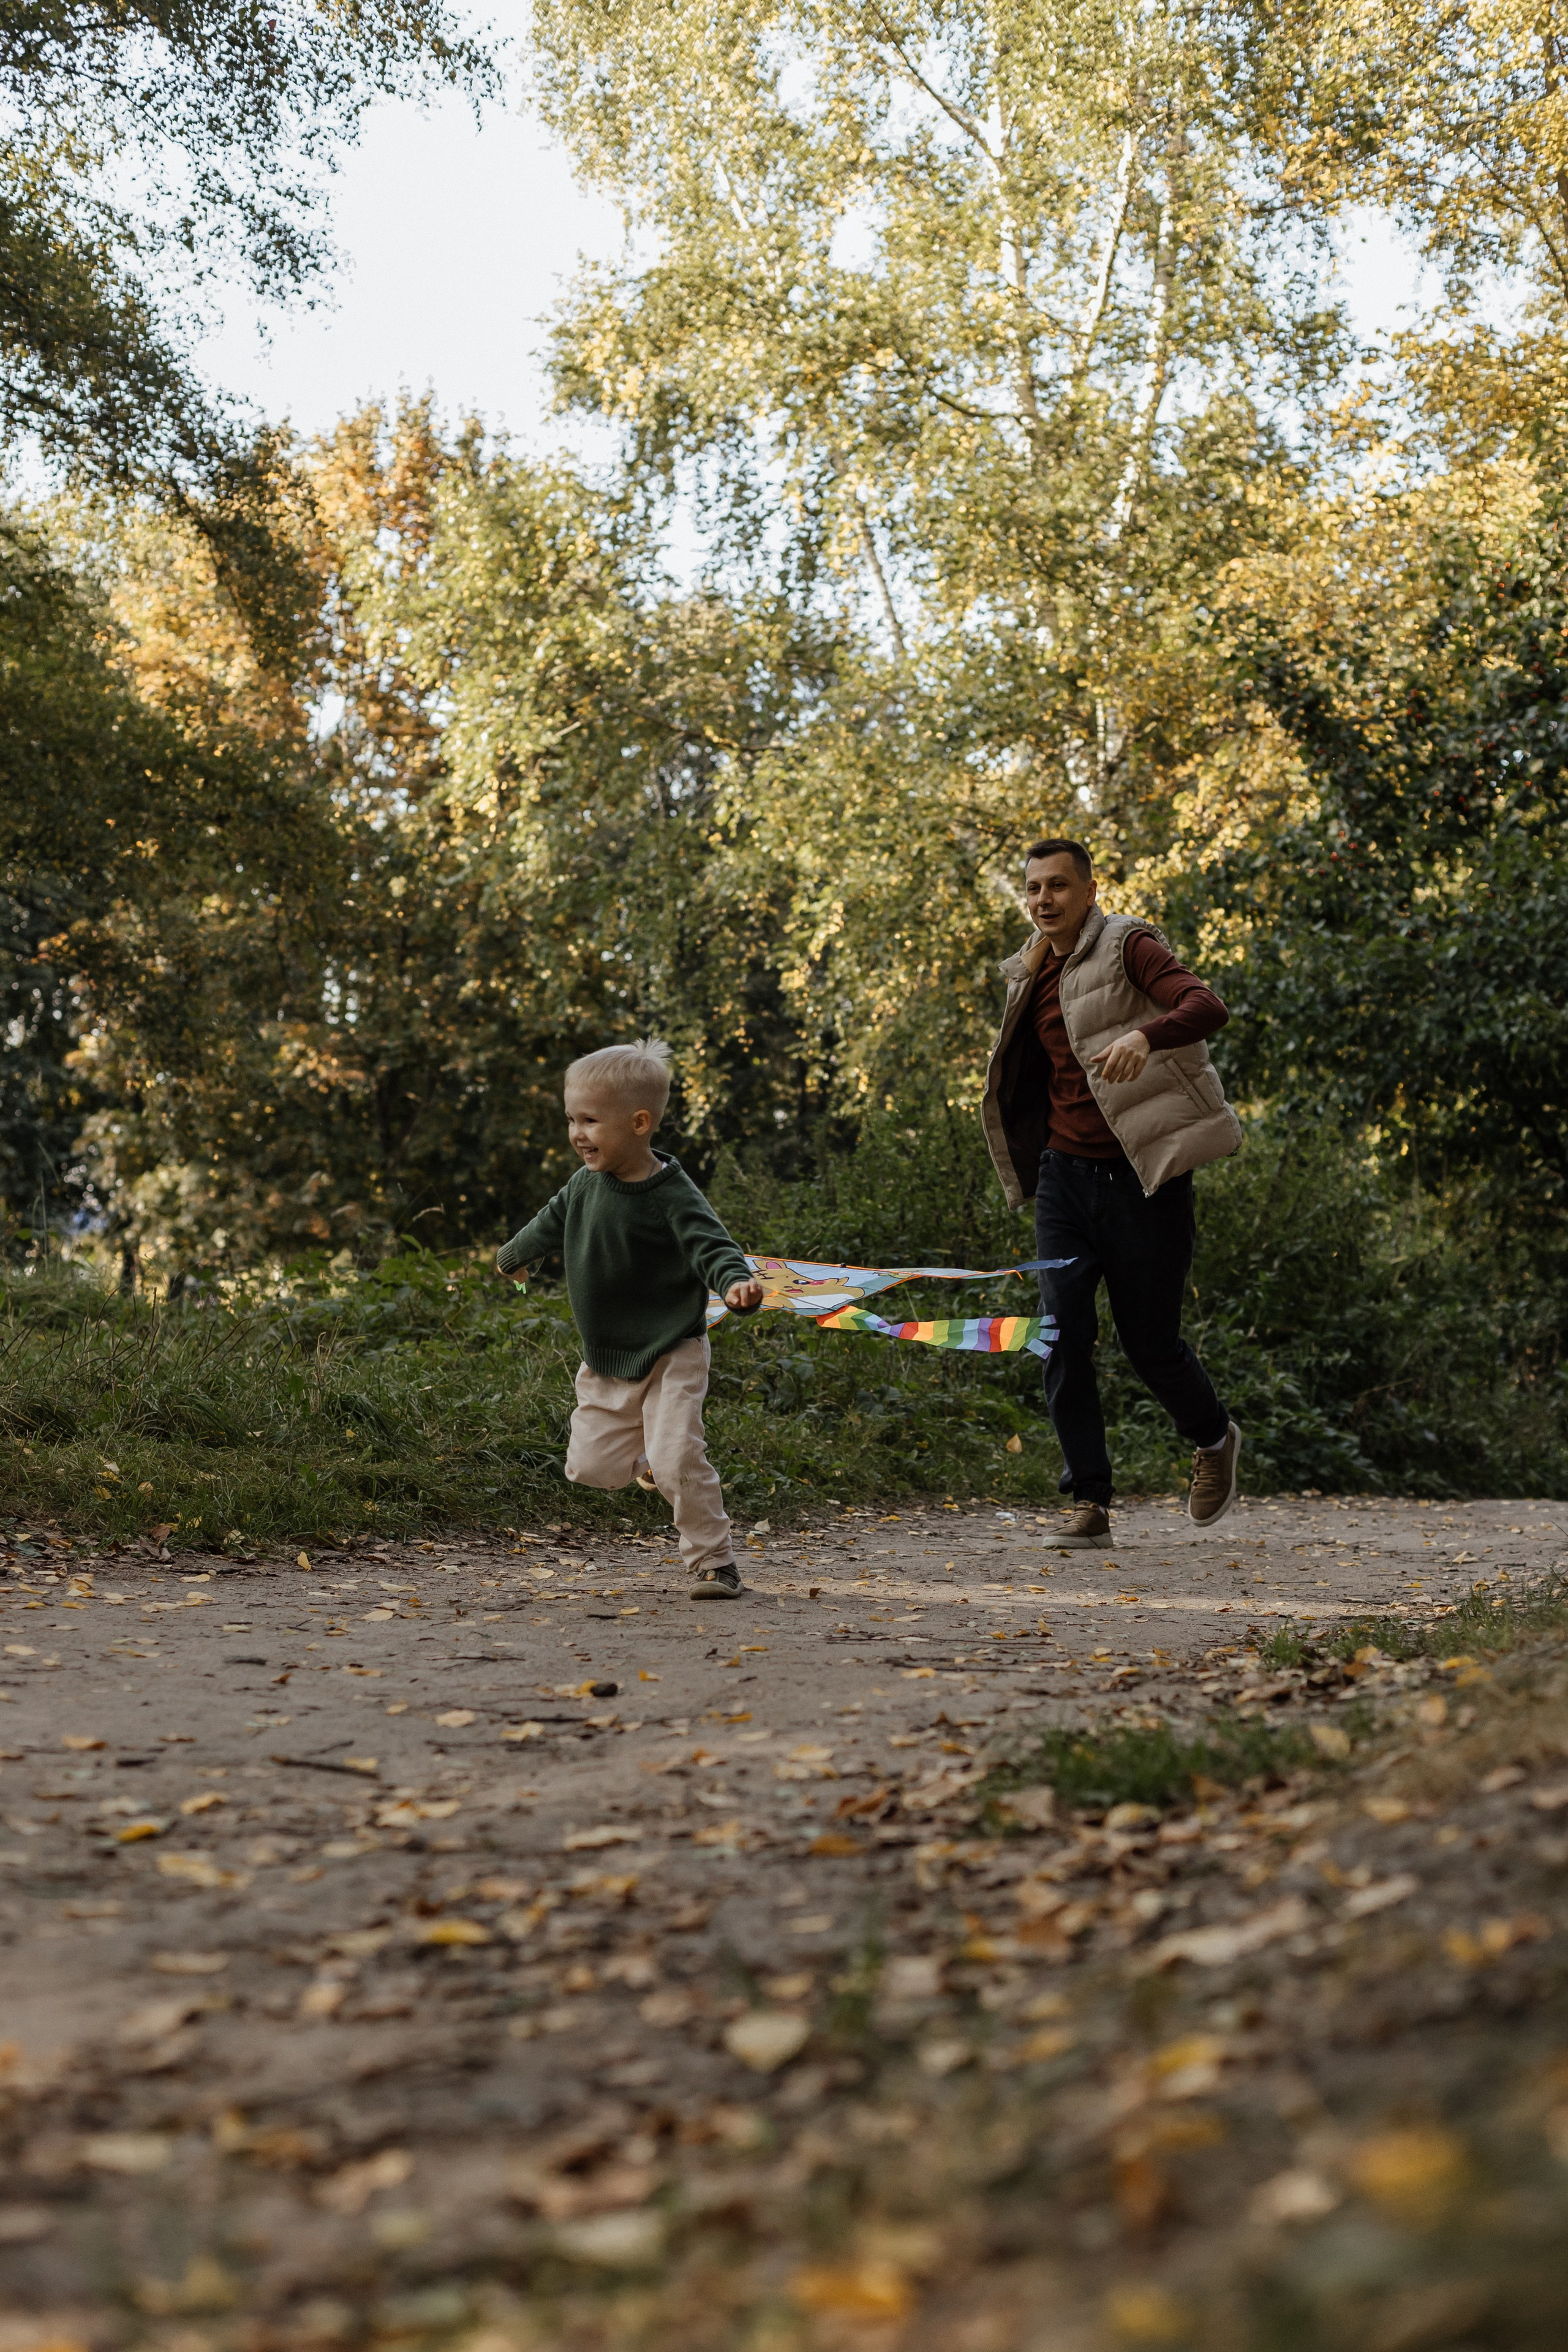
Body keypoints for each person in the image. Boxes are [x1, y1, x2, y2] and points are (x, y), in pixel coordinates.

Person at [979, 839, 1244, 1544]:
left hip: (1144, 1179)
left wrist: (1145, 1036)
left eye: (1058, 886)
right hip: (1064, 1180)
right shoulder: (1028, 971)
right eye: (1033, 888)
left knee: (1150, 1344)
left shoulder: (1129, 944)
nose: (1043, 900)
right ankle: (1089, 1500)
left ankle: (1214, 1437)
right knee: (1061, 1332)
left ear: (1090, 890)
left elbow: (1205, 1006)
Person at [496, 1038, 763, 1599]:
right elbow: (549, 1222)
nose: (577, 1134)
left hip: (673, 1348)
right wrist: (515, 1256)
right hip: (608, 1354)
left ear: (640, 1122)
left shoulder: (672, 1192)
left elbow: (712, 1245)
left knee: (679, 1460)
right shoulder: (583, 1184)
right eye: (571, 1119)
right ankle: (648, 1459)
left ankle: (715, 1563)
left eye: (590, 1120)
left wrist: (735, 1283)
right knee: (591, 1468)